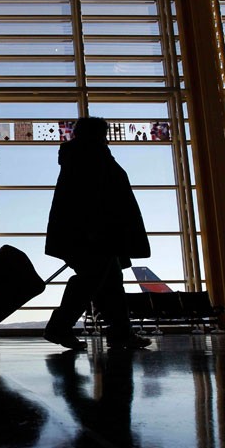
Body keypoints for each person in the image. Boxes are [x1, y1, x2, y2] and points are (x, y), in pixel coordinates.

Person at [44, 116, 152, 350]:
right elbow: (94, 198)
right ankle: (61, 326)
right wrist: (94, 231)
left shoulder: (79, 156)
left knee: (108, 282)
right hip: (96, 236)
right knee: (93, 280)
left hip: (92, 234)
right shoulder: (90, 155)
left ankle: (120, 332)